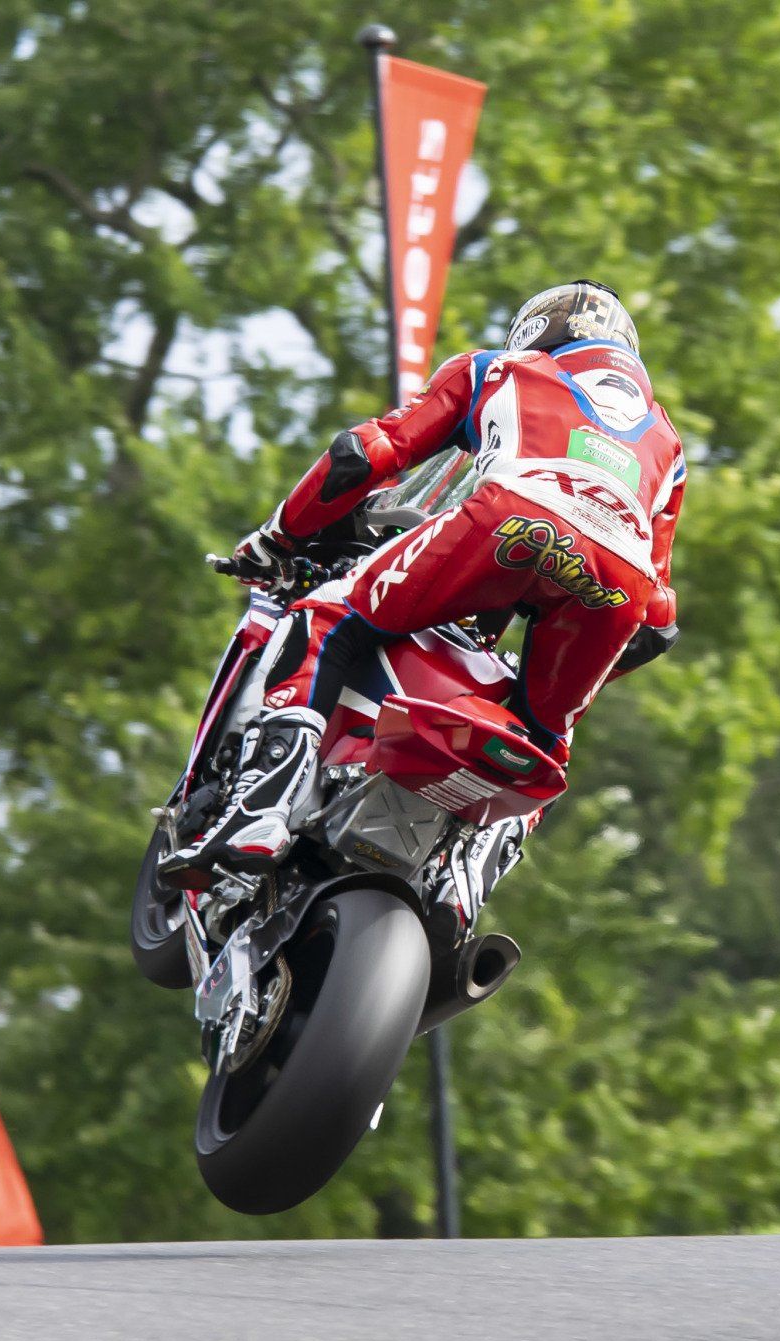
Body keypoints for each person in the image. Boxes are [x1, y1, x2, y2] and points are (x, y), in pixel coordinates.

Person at [161, 280, 685, 888]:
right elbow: (659, 623)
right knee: (544, 743)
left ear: (540, 331)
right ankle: (462, 892)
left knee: (327, 619)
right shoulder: (667, 442)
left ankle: (262, 808)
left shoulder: (497, 369)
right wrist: (560, 674)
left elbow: (364, 453)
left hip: (509, 518)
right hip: (620, 582)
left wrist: (274, 541)